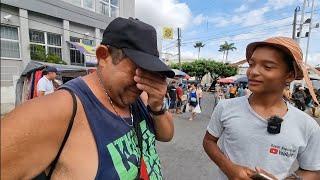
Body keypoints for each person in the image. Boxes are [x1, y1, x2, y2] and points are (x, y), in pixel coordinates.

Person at [1, 17, 175, 179]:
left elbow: (166, 135)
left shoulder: (139, 97)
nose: (142, 82)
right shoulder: (58, 110)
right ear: (103, 56)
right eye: (137, 70)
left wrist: (157, 106)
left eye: (150, 73)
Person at [203, 37, 320, 180]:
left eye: (267, 67)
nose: (253, 72)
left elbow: (312, 171)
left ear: (289, 75)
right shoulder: (225, 107)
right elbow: (209, 141)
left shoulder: (307, 126)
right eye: (251, 64)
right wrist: (229, 168)